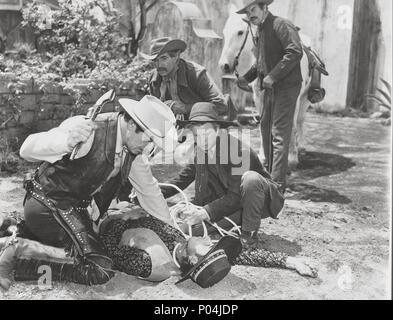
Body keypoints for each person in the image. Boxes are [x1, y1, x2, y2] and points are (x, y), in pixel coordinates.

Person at [0, 95, 178, 288]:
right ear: (133, 125)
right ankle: (18, 258)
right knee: (100, 269)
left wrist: (174, 237)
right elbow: (27, 149)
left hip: (75, 212)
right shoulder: (89, 129)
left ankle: (15, 233)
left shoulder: (133, 152)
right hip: (47, 205)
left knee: (91, 250)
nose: (148, 148)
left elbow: (149, 192)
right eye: (149, 140)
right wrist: (65, 141)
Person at [159, 102, 285, 246]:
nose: (202, 139)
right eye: (196, 135)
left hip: (259, 199)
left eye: (206, 133)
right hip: (233, 201)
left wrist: (205, 212)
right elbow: (183, 178)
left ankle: (249, 236)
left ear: (217, 130)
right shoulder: (201, 151)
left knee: (250, 179)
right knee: (187, 229)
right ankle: (236, 224)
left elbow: (237, 195)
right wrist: (153, 191)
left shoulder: (237, 150)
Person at [98, 209, 318, 287]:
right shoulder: (181, 243)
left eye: (206, 248)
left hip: (105, 220)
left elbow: (110, 252)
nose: (208, 240)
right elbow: (245, 256)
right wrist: (290, 261)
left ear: (193, 261)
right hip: (134, 210)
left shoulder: (148, 263)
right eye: (210, 244)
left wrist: (119, 219)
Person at [236, 0, 303, 194]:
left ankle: (276, 187)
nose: (250, 15)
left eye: (253, 10)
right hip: (270, 88)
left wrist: (273, 76)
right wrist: (246, 78)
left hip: (287, 86)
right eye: (248, 13)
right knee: (265, 129)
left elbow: (295, 51)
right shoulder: (261, 30)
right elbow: (261, 63)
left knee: (279, 134)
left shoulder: (281, 24)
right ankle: (271, 178)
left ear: (264, 7)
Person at [141, 37, 228, 120]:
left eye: (164, 58)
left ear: (176, 56)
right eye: (155, 60)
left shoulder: (196, 74)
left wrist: (185, 108)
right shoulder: (154, 79)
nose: (159, 65)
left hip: (199, 126)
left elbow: (221, 106)